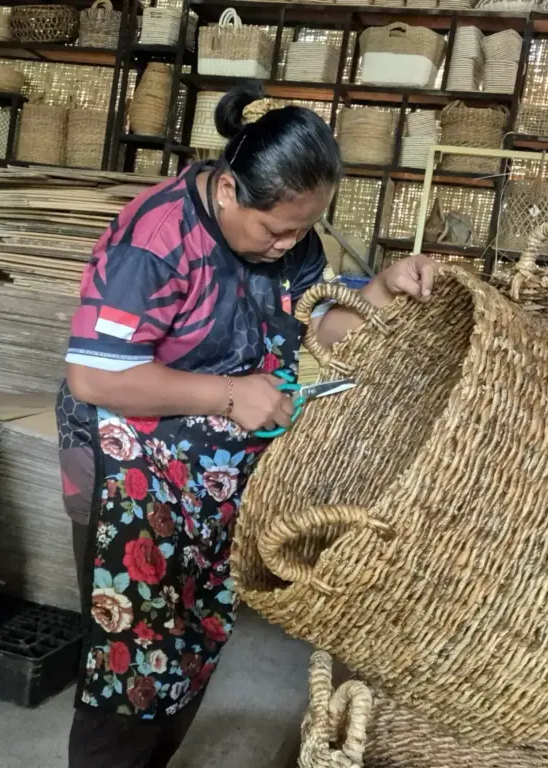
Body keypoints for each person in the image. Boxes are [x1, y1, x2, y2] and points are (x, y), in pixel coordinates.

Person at [57, 83, 436, 768]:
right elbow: (94, 376)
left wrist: (380, 290)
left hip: (211, 469)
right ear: (229, 191)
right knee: (134, 650)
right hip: (125, 463)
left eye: (301, 229)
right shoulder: (157, 239)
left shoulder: (288, 236)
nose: (287, 244)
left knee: (198, 635)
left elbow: (319, 321)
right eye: (276, 230)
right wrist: (229, 396)